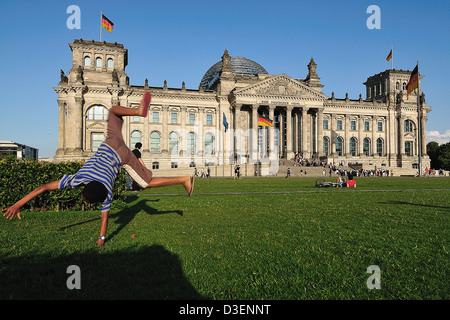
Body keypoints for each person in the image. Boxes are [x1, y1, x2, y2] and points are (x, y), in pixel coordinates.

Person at [2, 92, 195, 247]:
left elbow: (104, 219)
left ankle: (183, 180)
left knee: (146, 183)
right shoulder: (78, 178)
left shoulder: (107, 193)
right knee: (112, 111)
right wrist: (18, 204)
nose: (83, 200)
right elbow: (43, 187)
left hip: (123, 156)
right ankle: (137, 111)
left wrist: (101, 239)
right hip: (112, 143)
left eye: (85, 200)